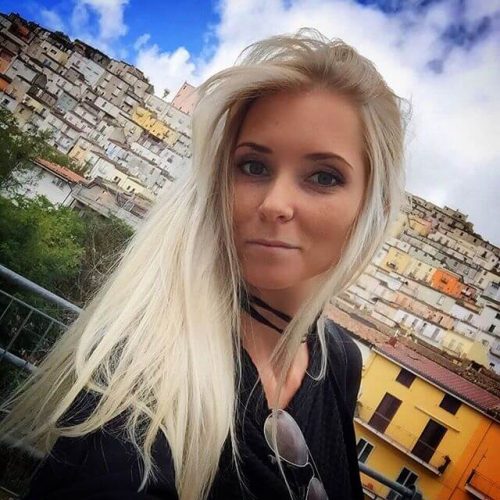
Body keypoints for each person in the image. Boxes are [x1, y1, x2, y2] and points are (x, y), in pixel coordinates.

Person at [0, 29, 407, 500]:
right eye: (254, 166)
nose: (275, 204)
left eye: (323, 176)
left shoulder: (338, 360)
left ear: (371, 206)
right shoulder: (145, 390)